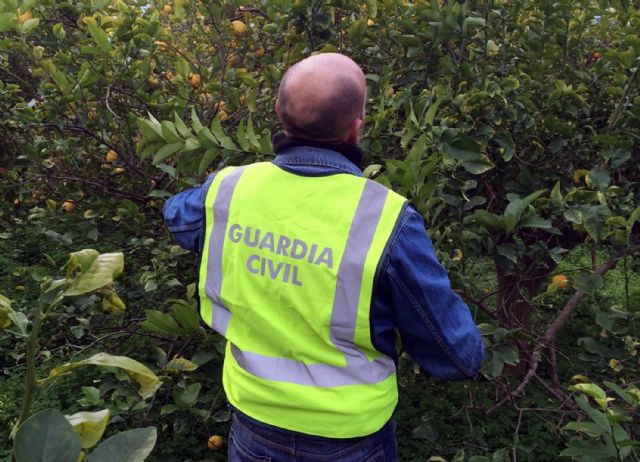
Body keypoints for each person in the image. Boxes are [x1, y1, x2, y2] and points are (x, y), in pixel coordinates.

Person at [163, 53, 483, 462]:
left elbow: (177, 216)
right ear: (357, 126)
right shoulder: (386, 219)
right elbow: (455, 354)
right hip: (349, 437)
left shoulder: (229, 189)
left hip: (255, 423)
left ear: (279, 112)